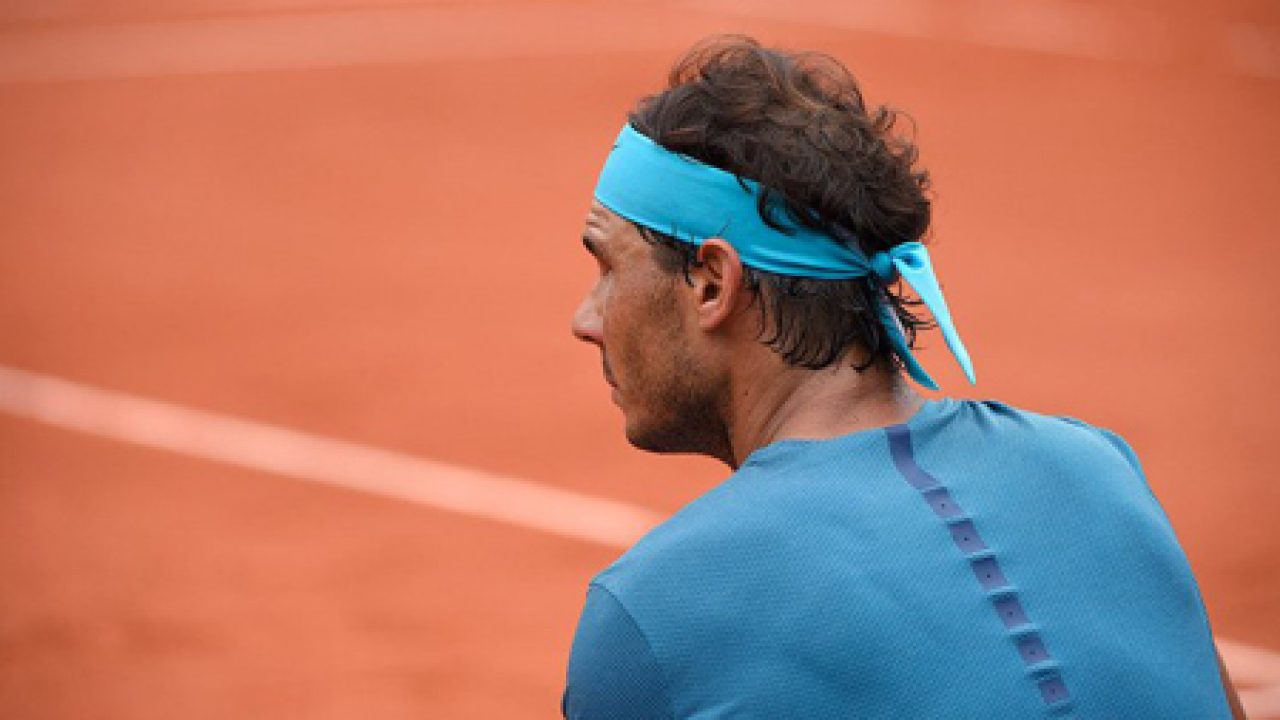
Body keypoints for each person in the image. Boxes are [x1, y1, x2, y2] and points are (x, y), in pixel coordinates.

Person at [564, 35, 1243, 719]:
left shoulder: (657, 614)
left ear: (712, 283)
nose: (585, 319)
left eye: (608, 267)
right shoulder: (1100, 469)